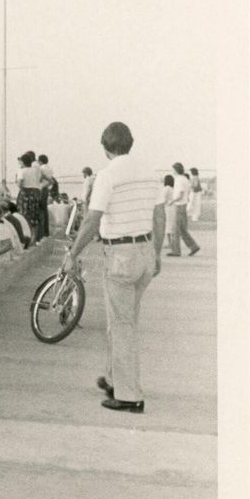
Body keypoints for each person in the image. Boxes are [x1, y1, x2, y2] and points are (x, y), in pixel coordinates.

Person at [61, 121, 165, 414]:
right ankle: (113, 379)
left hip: (120, 255)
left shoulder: (107, 176)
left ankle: (130, 396)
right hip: (144, 252)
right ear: (130, 143)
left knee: (121, 327)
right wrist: (156, 254)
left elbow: (92, 220)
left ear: (106, 148)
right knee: (123, 321)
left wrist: (73, 253)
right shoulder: (150, 173)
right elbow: (159, 216)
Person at [168, 162, 200, 257]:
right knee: (182, 229)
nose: (172, 171)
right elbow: (188, 190)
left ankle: (176, 251)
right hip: (184, 205)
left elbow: (180, 193)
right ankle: (193, 246)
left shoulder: (178, 179)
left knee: (175, 229)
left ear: (176, 170)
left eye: (173, 169)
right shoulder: (185, 179)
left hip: (178, 205)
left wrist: (172, 201)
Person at [15, 151, 44, 240]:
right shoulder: (36, 170)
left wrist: (17, 183)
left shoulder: (21, 171)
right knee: (34, 215)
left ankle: (26, 236)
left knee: (24, 215)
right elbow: (40, 179)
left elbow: (20, 184)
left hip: (26, 193)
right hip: (35, 193)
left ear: (23, 162)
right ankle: (34, 238)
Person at [163, 174, 176, 251]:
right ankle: (172, 243)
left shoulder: (166, 188)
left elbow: (163, 199)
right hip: (173, 207)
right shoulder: (173, 188)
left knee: (168, 226)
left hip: (168, 208)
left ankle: (170, 244)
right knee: (171, 226)